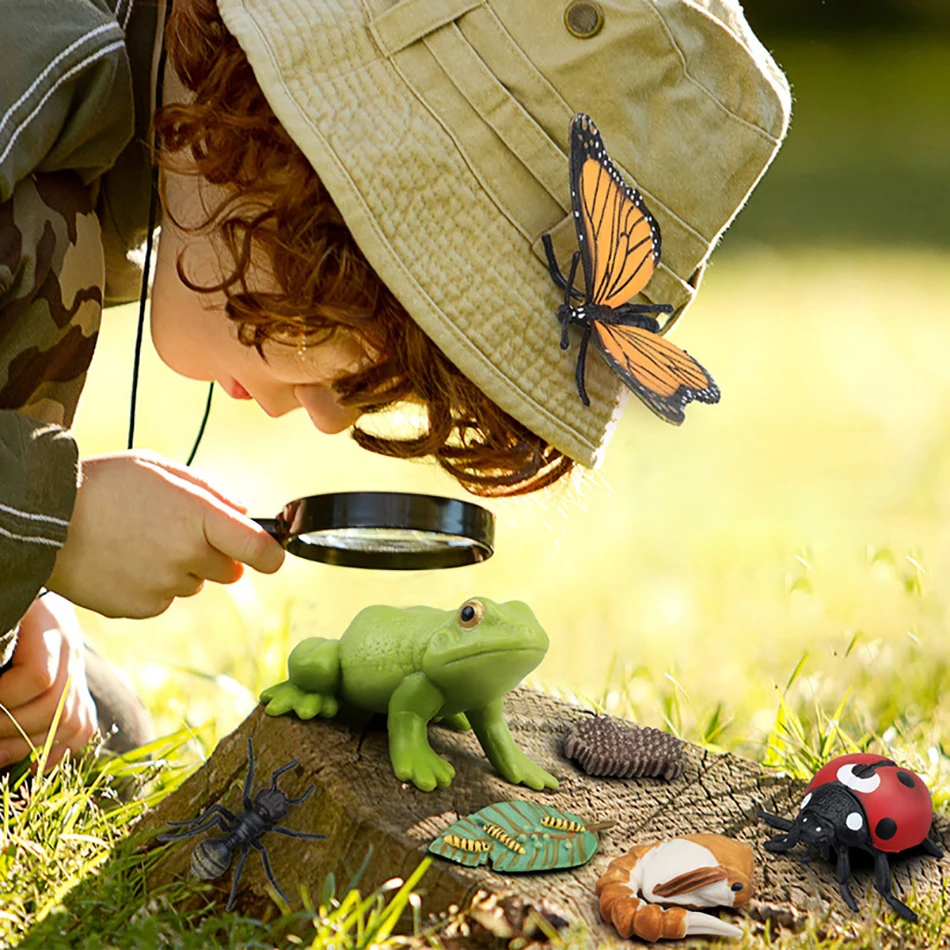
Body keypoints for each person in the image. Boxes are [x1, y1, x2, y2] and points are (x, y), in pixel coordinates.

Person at [0, 0, 790, 769]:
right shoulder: (32, 67)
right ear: (294, 160)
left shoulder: (117, 125)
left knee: (100, 721)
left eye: (377, 385)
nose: (323, 413)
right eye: (347, 319)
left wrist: (26, 590)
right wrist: (51, 526)